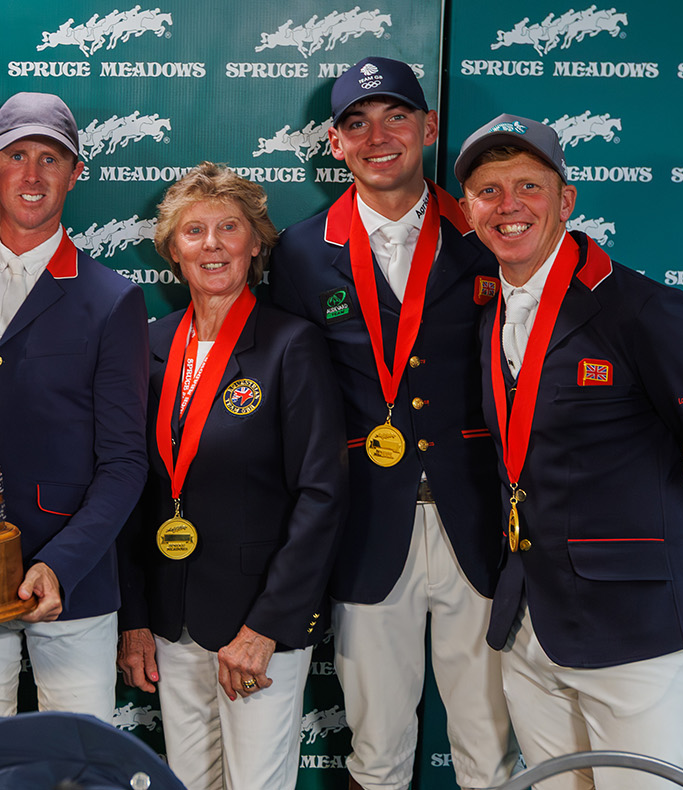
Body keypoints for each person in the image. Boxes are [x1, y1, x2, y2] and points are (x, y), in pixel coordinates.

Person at [454, 114, 683, 790]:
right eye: (488, 191)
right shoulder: (490, 315)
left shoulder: (641, 310)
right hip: (532, 626)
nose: (508, 206)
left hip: (642, 631)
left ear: (566, 201)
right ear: (468, 210)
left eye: (528, 186)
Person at [268, 57, 517, 790]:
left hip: (480, 524)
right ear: (336, 143)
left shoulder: (487, 230)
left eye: (395, 115)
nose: (378, 135)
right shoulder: (303, 251)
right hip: (367, 527)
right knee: (376, 753)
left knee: (489, 753)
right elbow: (294, 399)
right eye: (356, 123)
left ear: (429, 128)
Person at [117, 162, 347, 790]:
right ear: (171, 250)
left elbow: (322, 495)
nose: (212, 245)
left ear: (256, 243)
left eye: (229, 228)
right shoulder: (149, 344)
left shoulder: (289, 344)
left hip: (256, 623)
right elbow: (130, 490)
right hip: (171, 617)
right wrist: (135, 616)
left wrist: (266, 626)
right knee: (187, 782)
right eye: (194, 232)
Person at [0, 92, 150, 743]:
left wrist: (64, 562)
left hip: (76, 585)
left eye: (50, 158)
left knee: (77, 768)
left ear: (75, 172)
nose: (32, 176)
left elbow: (124, 461)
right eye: (17, 157)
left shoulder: (112, 300)